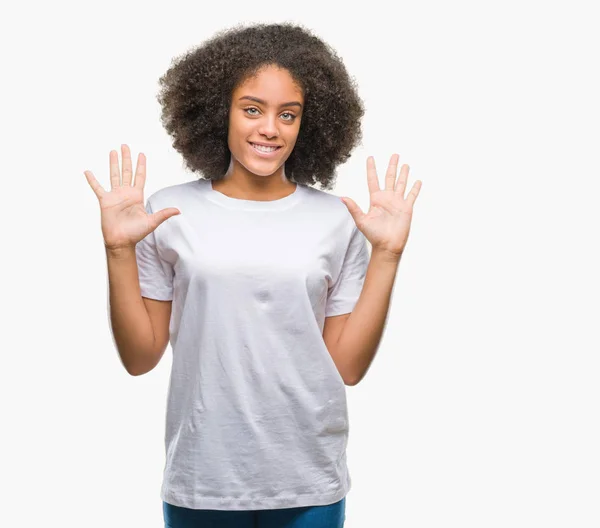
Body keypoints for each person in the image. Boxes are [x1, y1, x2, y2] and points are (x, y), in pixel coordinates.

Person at [85, 22, 421, 528]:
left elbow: (347, 367)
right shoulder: (168, 212)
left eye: (289, 114)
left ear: (308, 124)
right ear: (220, 110)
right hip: (205, 477)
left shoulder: (337, 219)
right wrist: (117, 250)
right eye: (252, 109)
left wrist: (388, 256)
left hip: (308, 477)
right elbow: (139, 358)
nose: (270, 128)